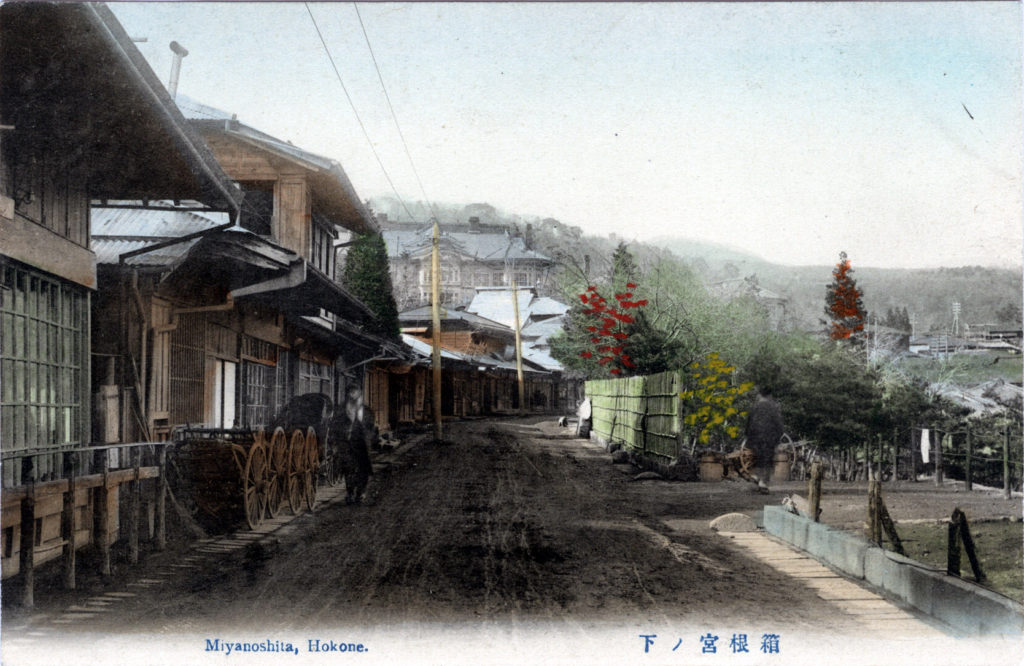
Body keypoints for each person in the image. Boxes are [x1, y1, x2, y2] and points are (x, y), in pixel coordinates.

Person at [329, 386, 375, 504]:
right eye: (350, 393)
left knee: (363, 470)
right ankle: (350, 493)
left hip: (362, 445)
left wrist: (368, 438)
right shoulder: (341, 410)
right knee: (348, 469)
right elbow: (334, 426)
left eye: (355, 394)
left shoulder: (367, 411)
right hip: (346, 444)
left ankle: (360, 493)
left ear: (360, 395)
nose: (352, 396)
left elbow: (371, 428)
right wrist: (336, 440)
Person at [745, 391, 784, 494]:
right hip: (769, 438)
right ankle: (763, 483)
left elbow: (748, 424)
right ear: (769, 396)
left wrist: (749, 437)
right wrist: (778, 438)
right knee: (767, 460)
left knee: (756, 458)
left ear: (760, 395)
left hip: (755, 438)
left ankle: (757, 478)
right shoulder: (773, 408)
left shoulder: (754, 407)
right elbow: (779, 425)